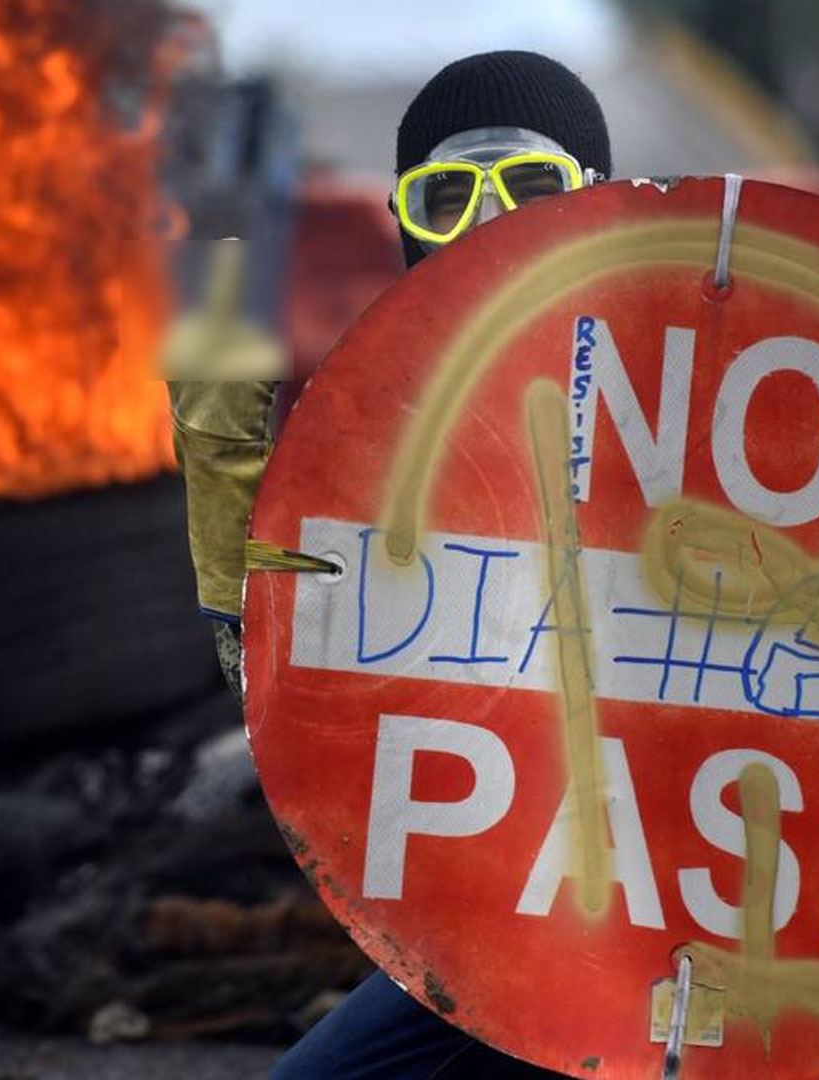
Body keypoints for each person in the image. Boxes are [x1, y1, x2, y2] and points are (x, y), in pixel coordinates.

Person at [164, 50, 614, 1080]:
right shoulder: (396, 444)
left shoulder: (705, 389)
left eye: (533, 185)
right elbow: (276, 654)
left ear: (599, 200)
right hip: (508, 938)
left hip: (714, 942)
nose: (495, 224)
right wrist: (213, 345)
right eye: (449, 197)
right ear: (408, 227)